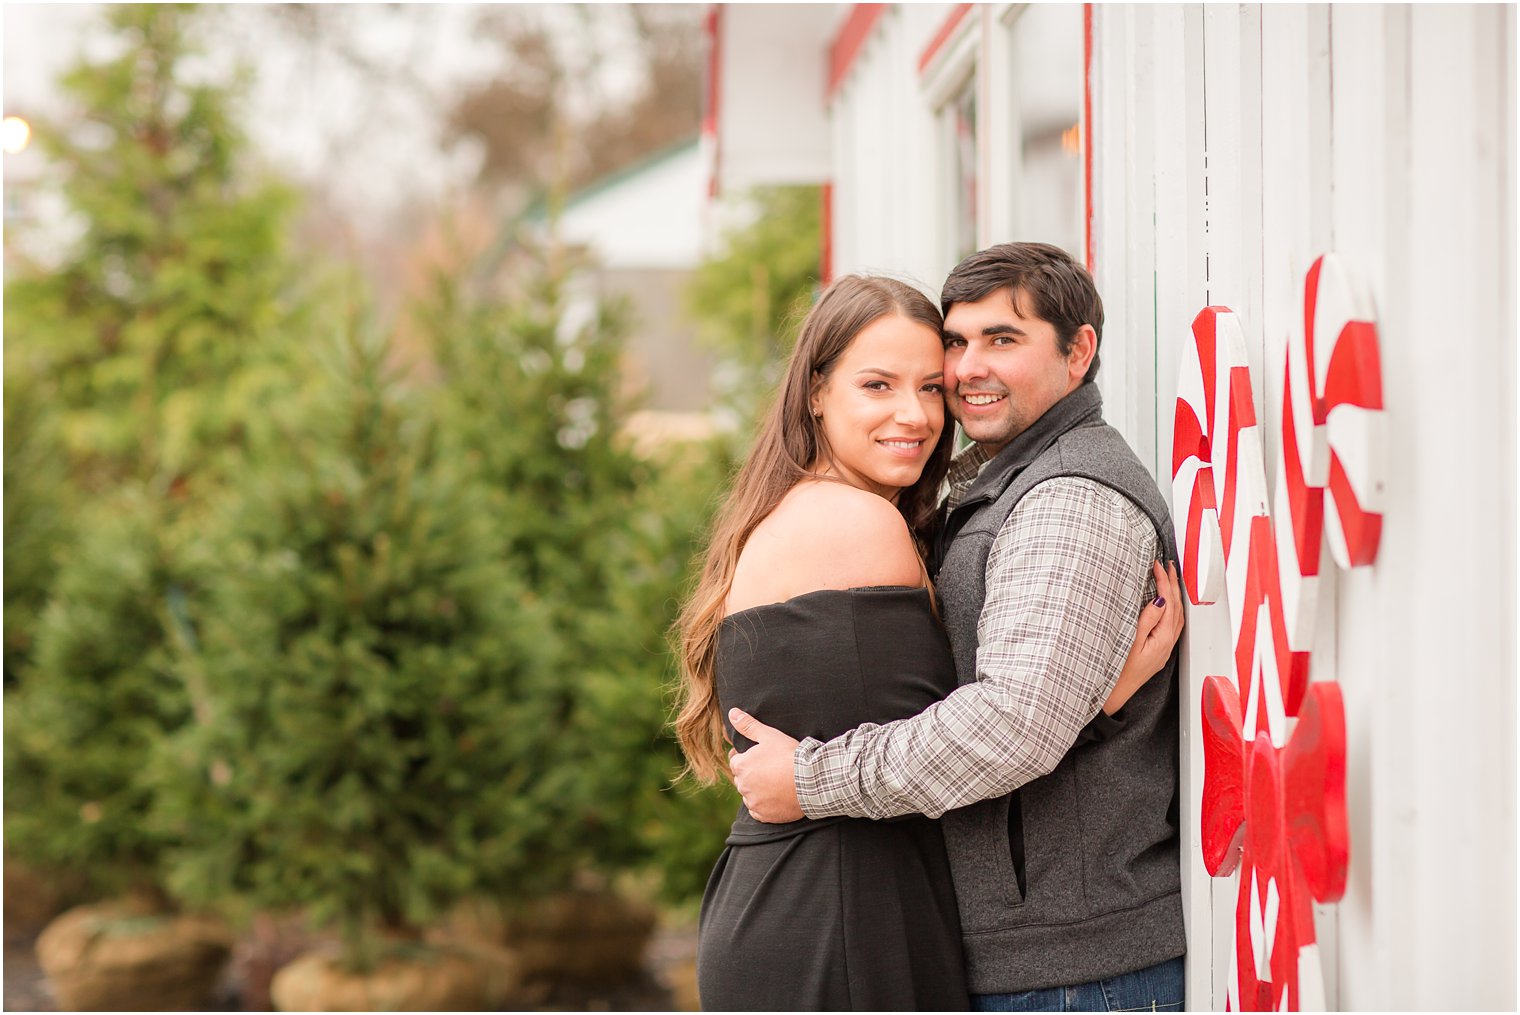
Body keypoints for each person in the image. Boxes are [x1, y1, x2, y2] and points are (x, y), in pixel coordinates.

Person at [676, 271, 1182, 1012]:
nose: (913, 415)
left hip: (829, 904)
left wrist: (1079, 703)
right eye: (877, 385)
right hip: (839, 916)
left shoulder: (830, 509)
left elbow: (974, 725)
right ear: (815, 392)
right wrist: (1092, 698)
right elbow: (991, 729)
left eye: (928, 387)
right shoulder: (854, 523)